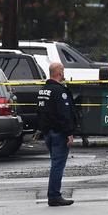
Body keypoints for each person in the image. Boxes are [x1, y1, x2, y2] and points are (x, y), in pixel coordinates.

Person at [38, 62, 75, 207]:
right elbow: (64, 114)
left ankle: (54, 194)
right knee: (57, 165)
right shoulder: (60, 91)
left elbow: (40, 113)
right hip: (58, 133)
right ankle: (54, 196)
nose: (64, 73)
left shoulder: (43, 90)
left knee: (55, 164)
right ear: (59, 72)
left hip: (48, 133)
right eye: (63, 70)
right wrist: (69, 133)